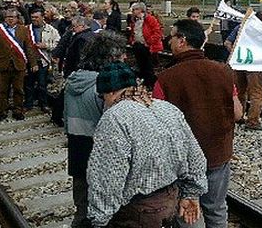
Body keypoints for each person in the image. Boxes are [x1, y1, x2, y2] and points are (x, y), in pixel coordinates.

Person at [87, 61, 208, 227]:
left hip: (138, 211)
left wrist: (100, 219)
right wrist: (192, 193)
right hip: (171, 198)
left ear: (111, 92)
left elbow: (108, 177)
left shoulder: (114, 118)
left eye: (102, 97)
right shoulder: (167, 108)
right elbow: (195, 157)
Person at [154, 19, 243, 228]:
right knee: (217, 208)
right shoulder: (223, 71)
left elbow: (157, 124)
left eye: (172, 36)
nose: (169, 42)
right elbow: (238, 113)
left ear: (182, 41)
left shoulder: (165, 78)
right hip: (218, 153)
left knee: (187, 212)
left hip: (182, 161)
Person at [64, 31, 127, 228]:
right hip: (99, 149)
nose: (124, 59)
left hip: (76, 146)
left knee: (82, 199)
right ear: (109, 58)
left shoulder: (74, 80)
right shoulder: (103, 85)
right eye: (120, 56)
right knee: (101, 202)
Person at [224, 10, 262, 130]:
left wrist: (236, 56)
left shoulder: (241, 27)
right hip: (255, 66)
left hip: (239, 64)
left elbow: (227, 43)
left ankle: (239, 116)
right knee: (257, 94)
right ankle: (253, 121)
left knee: (240, 91)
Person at [0, 9, 38, 121]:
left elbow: (28, 47)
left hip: (19, 64)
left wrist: (33, 62)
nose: (10, 19)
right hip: (2, 64)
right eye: (8, 17)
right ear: (5, 18)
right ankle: (2, 111)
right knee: (2, 90)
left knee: (18, 89)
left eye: (13, 17)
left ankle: (18, 110)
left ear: (17, 18)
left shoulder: (23, 30)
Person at [25, 9, 60, 112]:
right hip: (30, 61)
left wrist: (46, 46)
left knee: (42, 84)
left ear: (42, 17)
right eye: (32, 18)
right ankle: (28, 104)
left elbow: (58, 44)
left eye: (36, 17)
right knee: (28, 84)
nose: (34, 19)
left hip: (44, 61)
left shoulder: (51, 30)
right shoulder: (27, 29)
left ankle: (43, 104)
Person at [127, 2, 163, 88]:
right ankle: (144, 82)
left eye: (135, 9)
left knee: (148, 66)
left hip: (147, 46)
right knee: (141, 65)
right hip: (138, 45)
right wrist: (132, 41)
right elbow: (133, 32)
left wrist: (149, 42)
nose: (133, 11)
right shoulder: (134, 20)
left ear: (141, 10)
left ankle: (150, 84)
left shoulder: (150, 19)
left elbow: (157, 32)